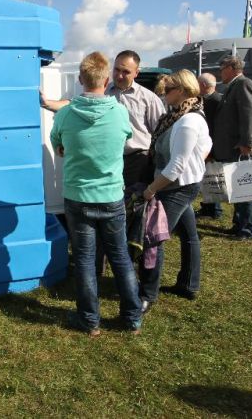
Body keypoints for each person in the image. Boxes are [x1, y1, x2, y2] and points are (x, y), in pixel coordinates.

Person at [50, 52, 142, 336]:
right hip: (112, 196)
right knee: (120, 258)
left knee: (85, 260)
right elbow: (127, 138)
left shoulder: (65, 114)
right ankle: (132, 318)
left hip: (78, 198)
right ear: (106, 79)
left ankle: (90, 321)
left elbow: (58, 146)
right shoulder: (119, 112)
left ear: (80, 80)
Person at [140, 70, 212, 310]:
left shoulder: (188, 121)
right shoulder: (184, 114)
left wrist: (150, 189)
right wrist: (197, 161)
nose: (163, 93)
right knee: (189, 235)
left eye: (168, 89)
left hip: (177, 187)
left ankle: (147, 295)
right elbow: (206, 144)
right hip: (183, 184)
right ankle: (189, 284)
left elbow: (176, 167)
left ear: (181, 91)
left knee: (153, 238)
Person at [42, 50, 166, 188]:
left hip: (136, 161)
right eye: (117, 69)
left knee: (132, 204)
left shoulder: (149, 99)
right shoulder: (102, 90)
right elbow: (74, 104)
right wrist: (47, 103)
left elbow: (161, 133)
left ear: (136, 73)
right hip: (107, 160)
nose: (119, 75)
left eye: (126, 72)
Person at [211, 56, 252, 240]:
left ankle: (248, 229)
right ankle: (239, 224)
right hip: (235, 148)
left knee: (247, 188)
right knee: (238, 188)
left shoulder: (244, 84)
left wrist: (248, 143)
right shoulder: (234, 86)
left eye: (222, 68)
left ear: (231, 68)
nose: (220, 73)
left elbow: (250, 115)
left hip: (243, 148)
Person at [196, 72, 223, 219]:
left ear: (204, 85)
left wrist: (211, 149)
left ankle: (214, 209)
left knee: (213, 177)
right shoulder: (210, 99)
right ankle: (209, 208)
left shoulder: (215, 101)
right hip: (208, 145)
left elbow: (216, 127)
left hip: (211, 146)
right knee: (208, 177)